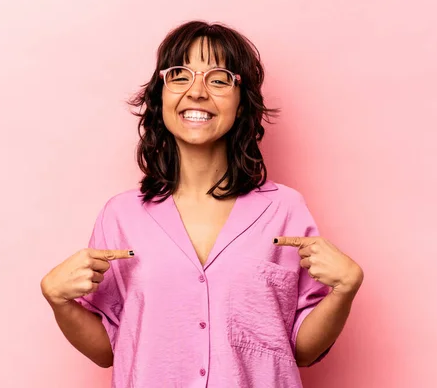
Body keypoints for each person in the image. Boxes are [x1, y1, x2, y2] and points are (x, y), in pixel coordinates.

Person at [40, 20, 364, 387]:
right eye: (180, 75)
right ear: (160, 95)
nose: (196, 91)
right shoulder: (121, 216)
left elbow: (302, 351)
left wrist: (345, 290)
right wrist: (58, 300)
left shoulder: (285, 210)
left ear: (242, 103)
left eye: (219, 78)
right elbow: (106, 350)